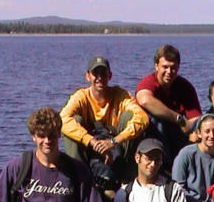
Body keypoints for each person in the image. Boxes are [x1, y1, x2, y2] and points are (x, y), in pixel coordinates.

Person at [60, 56, 149, 192]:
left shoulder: (120, 95)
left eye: (103, 74)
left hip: (116, 148)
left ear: (110, 76)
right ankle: (80, 182)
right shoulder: (80, 97)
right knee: (74, 121)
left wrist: (113, 142)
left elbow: (143, 118)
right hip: (89, 148)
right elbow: (62, 119)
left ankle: (126, 179)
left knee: (129, 116)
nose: (100, 78)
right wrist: (91, 141)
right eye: (96, 74)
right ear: (87, 76)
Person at [135, 44, 202, 166]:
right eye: (164, 67)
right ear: (156, 66)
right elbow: (145, 100)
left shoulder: (185, 87)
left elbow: (195, 119)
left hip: (178, 135)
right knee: (155, 120)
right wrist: (178, 119)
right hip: (153, 137)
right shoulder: (149, 82)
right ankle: (164, 167)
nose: (169, 72)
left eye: (173, 68)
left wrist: (193, 131)